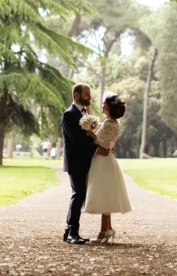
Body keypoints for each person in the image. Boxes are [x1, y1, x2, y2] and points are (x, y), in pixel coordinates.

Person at [83, 92, 132, 244]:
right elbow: (108, 143)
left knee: (104, 195)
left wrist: (91, 134)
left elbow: (104, 144)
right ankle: (107, 229)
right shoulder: (112, 123)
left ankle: (104, 232)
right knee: (106, 195)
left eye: (104, 104)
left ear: (110, 107)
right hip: (106, 161)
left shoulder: (109, 124)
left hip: (103, 161)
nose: (102, 105)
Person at [61, 83, 95, 245]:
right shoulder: (69, 114)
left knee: (79, 195)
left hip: (83, 161)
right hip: (75, 162)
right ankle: (71, 232)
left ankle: (69, 231)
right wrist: (97, 144)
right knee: (78, 195)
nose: (90, 96)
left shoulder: (84, 113)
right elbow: (78, 141)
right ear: (76, 96)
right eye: (87, 94)